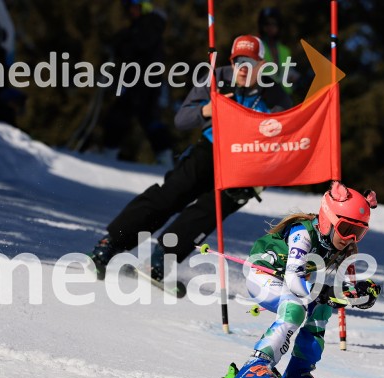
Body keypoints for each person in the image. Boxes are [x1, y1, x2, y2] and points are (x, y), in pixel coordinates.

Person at [88, 34, 292, 285]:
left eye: (250, 63)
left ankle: (161, 258)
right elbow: (181, 120)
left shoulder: (275, 97)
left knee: (208, 210)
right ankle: (111, 243)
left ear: (262, 66)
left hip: (246, 164)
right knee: (170, 195)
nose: (242, 69)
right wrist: (208, 109)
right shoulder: (218, 78)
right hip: (211, 147)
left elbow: (284, 137)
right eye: (238, 62)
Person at [220, 182, 382, 378]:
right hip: (262, 275)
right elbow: (295, 281)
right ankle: (255, 366)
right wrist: (324, 292)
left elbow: (338, 289)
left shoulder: (337, 246)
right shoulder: (302, 233)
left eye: (359, 233)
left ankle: (297, 375)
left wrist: (360, 293)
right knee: (294, 309)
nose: (350, 239)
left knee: (323, 308)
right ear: (328, 219)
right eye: (347, 230)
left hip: (287, 282)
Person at [101, 0, 173, 164]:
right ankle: (164, 156)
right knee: (143, 117)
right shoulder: (139, 26)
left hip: (144, 81)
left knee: (126, 115)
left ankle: (109, 153)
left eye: (134, 7)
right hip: (138, 80)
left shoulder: (150, 24)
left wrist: (121, 45)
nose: (131, 12)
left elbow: (139, 45)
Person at [257, 7, 299, 96]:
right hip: (264, 97)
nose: (270, 27)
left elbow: (290, 72)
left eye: (274, 24)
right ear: (261, 26)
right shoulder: (257, 47)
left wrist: (294, 77)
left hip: (285, 97)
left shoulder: (285, 50)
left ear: (279, 26)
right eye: (266, 24)